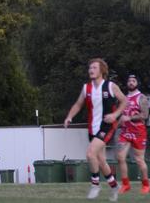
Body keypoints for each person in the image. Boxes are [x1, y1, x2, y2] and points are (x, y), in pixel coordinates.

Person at [64, 58, 127, 201]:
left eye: (94, 67)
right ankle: (114, 186)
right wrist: (69, 117)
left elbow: (125, 101)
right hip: (93, 128)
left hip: (107, 125)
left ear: (102, 71)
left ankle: (95, 185)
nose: (91, 70)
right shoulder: (86, 88)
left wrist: (115, 115)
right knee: (101, 160)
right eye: (89, 68)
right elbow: (78, 105)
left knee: (90, 153)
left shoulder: (110, 86)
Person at [116, 74, 150, 194]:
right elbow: (122, 116)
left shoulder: (142, 98)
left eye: (133, 81)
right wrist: (117, 122)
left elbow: (145, 116)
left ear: (137, 83)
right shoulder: (124, 98)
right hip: (125, 132)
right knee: (120, 157)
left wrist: (129, 118)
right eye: (129, 81)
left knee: (139, 160)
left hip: (138, 132)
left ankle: (146, 184)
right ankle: (125, 184)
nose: (131, 82)